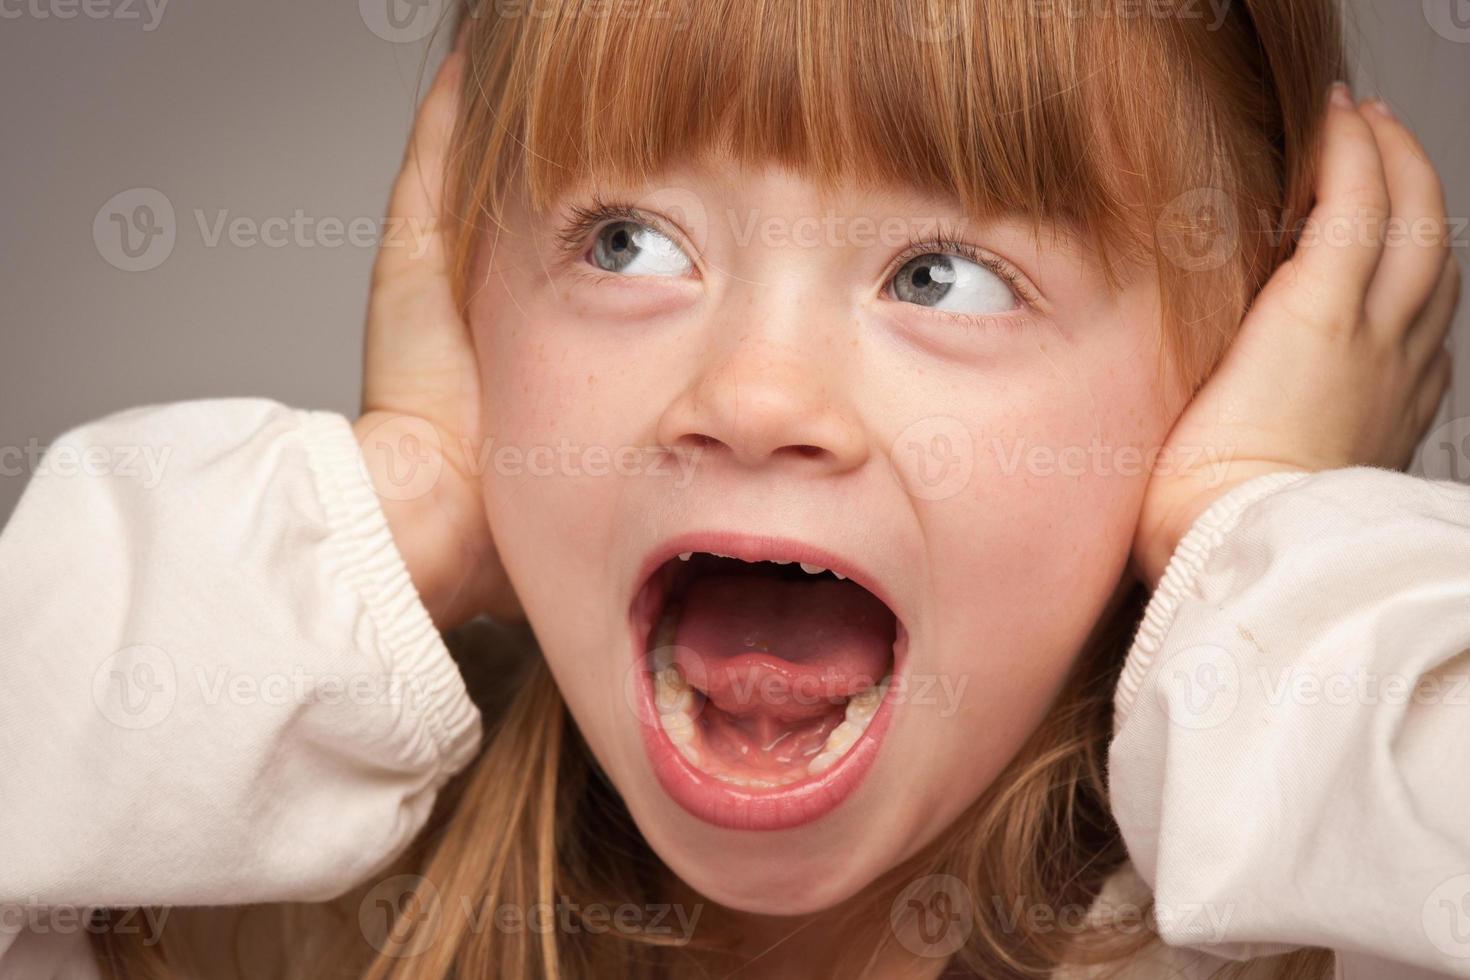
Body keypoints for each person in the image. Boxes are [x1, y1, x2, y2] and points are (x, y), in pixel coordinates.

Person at [1, 1, 1463, 977]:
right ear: (460, 290)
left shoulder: (1339, 921)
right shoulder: (243, 913)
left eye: (940, 277)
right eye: (627, 242)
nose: (753, 397)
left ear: (1241, 362)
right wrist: (408, 502)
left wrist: (1257, 533)